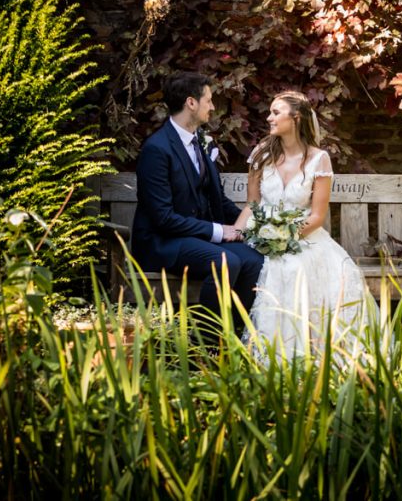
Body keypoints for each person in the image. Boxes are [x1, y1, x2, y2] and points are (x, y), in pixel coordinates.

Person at [234, 91, 374, 360]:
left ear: (295, 118)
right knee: (266, 266)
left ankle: (306, 354)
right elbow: (252, 204)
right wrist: (236, 232)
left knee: (298, 267)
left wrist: (285, 237)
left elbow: (317, 216)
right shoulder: (261, 154)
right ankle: (269, 353)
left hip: (303, 236)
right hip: (262, 235)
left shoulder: (318, 159)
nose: (269, 117)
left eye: (276, 112)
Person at [131, 72, 264, 342]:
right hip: (162, 242)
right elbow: (162, 218)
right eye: (209, 100)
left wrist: (251, 224)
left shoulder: (199, 142)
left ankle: (232, 336)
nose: (212, 107)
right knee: (225, 261)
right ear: (191, 102)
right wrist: (219, 231)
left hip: (194, 239)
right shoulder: (156, 149)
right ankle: (205, 346)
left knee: (254, 260)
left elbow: (216, 200)